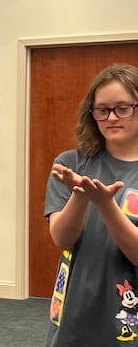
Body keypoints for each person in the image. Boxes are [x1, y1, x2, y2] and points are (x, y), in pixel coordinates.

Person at [44, 63, 138, 346]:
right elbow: (62, 238)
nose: (112, 117)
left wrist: (106, 206)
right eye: (102, 109)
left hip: (126, 316)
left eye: (123, 107)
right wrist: (80, 196)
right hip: (75, 312)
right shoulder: (70, 164)